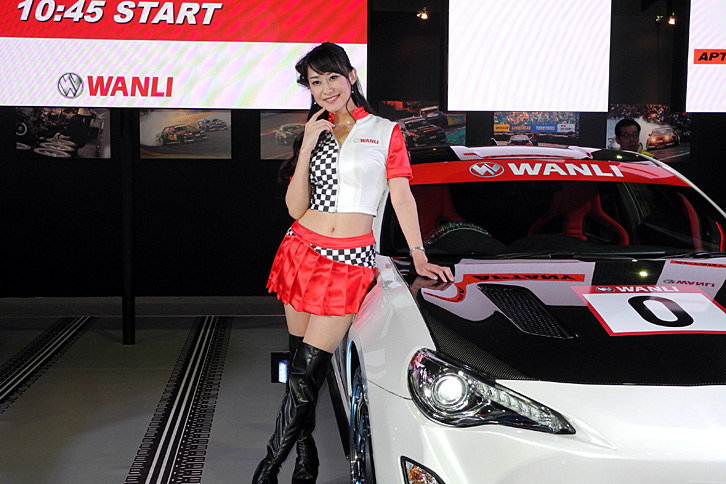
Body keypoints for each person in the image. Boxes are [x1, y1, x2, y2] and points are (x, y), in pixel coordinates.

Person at [254, 42, 453, 483]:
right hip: (301, 251)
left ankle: (267, 469)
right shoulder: (313, 132)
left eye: (332, 77)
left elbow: (401, 195)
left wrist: (419, 254)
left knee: (309, 367)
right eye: (315, 82)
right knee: (300, 367)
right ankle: (305, 457)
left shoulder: (384, 131)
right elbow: (294, 208)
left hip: (349, 262)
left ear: (351, 77)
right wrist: (308, 143)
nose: (326, 88)